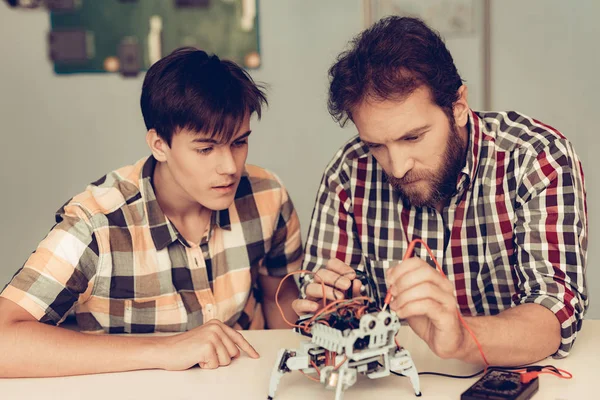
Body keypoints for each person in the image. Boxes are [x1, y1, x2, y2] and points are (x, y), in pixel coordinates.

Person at [292, 16, 587, 366]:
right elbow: (322, 314)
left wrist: (462, 338)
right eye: (375, 145)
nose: (397, 167)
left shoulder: (536, 159)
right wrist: (330, 309)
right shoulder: (348, 173)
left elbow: (552, 315)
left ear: (458, 106)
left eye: (413, 137)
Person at [0, 47, 302, 377]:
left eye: (239, 142)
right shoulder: (97, 224)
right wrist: (166, 348)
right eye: (205, 149)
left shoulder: (267, 194)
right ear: (159, 145)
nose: (230, 166)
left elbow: (278, 300)